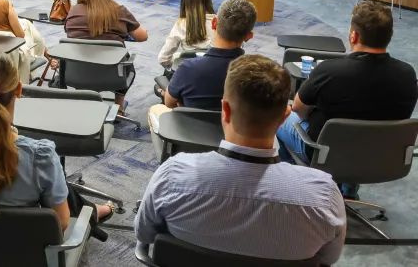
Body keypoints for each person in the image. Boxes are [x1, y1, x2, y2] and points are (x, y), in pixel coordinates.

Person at [136, 55, 346, 264]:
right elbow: (329, 258)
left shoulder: (173, 176)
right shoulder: (324, 195)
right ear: (285, 116)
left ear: (225, 110)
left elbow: (144, 234)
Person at [0, 50, 114, 241]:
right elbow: (62, 223)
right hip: (22, 252)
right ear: (18, 89)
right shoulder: (40, 158)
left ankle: (91, 209)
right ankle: (92, 212)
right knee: (57, 187)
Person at [277, 1, 417, 198]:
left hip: (326, 154)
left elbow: (299, 110)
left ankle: (299, 187)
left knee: (281, 117)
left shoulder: (329, 71)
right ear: (390, 34)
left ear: (354, 35)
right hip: (383, 157)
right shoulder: (408, 75)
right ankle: (348, 191)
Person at [148, 0, 256, 130]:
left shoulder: (188, 68)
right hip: (234, 137)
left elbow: (169, 103)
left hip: (191, 138)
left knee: (155, 109)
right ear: (249, 36)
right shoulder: (255, 73)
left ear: (214, 23)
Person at [63, 0, 147, 113]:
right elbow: (143, 36)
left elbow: (68, 32)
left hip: (78, 73)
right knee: (127, 66)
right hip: (113, 75)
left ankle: (85, 101)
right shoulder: (119, 11)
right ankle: (119, 108)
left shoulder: (73, 11)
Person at [157, 0, 215, 70]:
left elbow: (163, 58)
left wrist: (178, 62)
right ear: (208, 0)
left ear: (184, 3)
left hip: (188, 75)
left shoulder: (181, 25)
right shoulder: (221, 23)